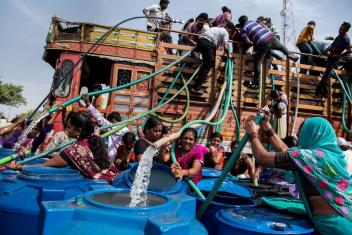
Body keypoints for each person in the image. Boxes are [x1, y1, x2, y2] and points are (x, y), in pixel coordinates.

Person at [245, 116, 352, 234]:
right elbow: (285, 150)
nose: (299, 137)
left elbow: (262, 157)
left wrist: (253, 133)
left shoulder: (309, 157)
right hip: (347, 217)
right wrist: (267, 127)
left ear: (311, 134)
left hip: (334, 225)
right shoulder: (332, 155)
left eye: (301, 133)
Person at [8, 111, 119, 183]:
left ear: (78, 131)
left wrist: (19, 167)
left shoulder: (73, 150)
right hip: (116, 178)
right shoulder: (95, 140)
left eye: (69, 127)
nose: (66, 129)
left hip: (107, 187)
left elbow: (44, 165)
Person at [238, 15, 299, 89]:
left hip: (262, 42)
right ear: (247, 19)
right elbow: (265, 27)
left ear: (241, 23)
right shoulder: (254, 22)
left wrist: (251, 43)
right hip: (271, 36)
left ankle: (257, 83)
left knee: (257, 60)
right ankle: (289, 54)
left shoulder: (243, 29)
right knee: (280, 47)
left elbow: (248, 41)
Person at [191, 22, 236, 95]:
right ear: (229, 28)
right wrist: (229, 54)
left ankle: (199, 76)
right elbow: (225, 46)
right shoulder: (225, 33)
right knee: (210, 63)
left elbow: (214, 47)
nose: (229, 33)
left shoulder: (215, 28)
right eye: (230, 31)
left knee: (207, 61)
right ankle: (196, 88)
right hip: (207, 43)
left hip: (200, 42)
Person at [82, 94, 129, 163]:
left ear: (113, 120)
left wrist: (88, 103)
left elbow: (100, 118)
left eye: (109, 121)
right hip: (121, 159)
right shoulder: (126, 129)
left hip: (113, 159)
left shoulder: (115, 127)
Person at [316, 22, 352, 98]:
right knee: (327, 75)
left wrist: (339, 56)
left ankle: (318, 92)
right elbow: (332, 45)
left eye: (342, 30)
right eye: (340, 28)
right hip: (330, 56)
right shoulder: (338, 37)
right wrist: (324, 51)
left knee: (326, 75)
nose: (340, 30)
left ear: (346, 31)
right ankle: (325, 92)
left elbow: (350, 50)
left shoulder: (346, 40)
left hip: (335, 59)